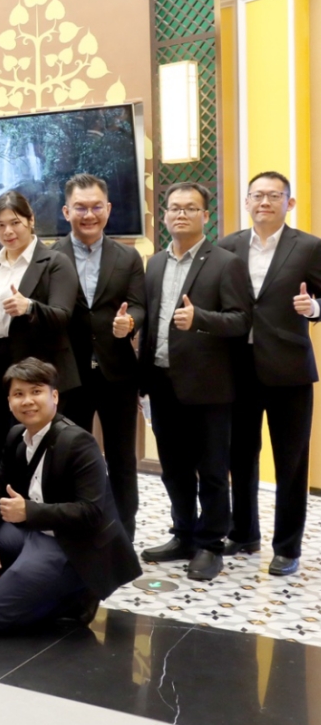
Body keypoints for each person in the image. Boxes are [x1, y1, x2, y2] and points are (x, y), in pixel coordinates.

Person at [0, 358, 142, 632]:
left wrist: (29, 511)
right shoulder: (16, 435)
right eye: (18, 394)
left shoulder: (78, 442)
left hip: (71, 544)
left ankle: (76, 594)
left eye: (36, 391)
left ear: (54, 396)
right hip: (33, 534)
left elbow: (91, 512)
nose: (27, 401)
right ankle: (34, 583)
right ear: (9, 401)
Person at [139, 182, 252, 581]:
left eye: (190, 208)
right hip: (161, 380)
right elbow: (151, 320)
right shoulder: (154, 263)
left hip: (209, 386)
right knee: (174, 469)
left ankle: (210, 544)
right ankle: (184, 535)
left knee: (213, 470)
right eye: (174, 208)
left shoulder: (225, 263)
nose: (181, 214)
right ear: (164, 215)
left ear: (206, 215)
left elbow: (241, 320)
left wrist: (200, 318)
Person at [222, 172, 321, 577]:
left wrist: (314, 309)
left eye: (274, 196)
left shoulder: (309, 247)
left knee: (291, 463)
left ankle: (287, 547)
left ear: (288, 203)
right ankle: (244, 533)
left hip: (289, 369)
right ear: (247, 201)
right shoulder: (227, 246)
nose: (264, 202)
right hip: (237, 368)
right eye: (257, 195)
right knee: (239, 455)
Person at [51, 174, 145, 539]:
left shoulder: (128, 256)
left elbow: (138, 304)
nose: (88, 215)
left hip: (117, 372)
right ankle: (73, 533)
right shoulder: (50, 256)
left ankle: (123, 535)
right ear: (66, 211)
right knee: (68, 456)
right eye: (80, 208)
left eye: (96, 207)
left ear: (108, 209)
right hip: (68, 373)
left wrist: (130, 322)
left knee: (122, 458)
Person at [0, 190, 80, 461]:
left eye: (15, 223)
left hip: (38, 369)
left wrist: (30, 307)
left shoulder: (55, 262)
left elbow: (63, 316)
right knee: (5, 447)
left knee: (40, 452)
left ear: (31, 220)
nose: (8, 231)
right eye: (0, 225)